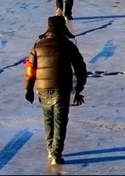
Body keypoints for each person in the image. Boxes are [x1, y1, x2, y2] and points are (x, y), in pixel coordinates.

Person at [23, 15, 87, 166]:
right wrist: (79, 88)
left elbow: (30, 69)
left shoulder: (37, 46)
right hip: (61, 89)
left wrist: (28, 89)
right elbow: (80, 68)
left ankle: (50, 150)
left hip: (42, 89)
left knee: (48, 119)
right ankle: (56, 154)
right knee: (60, 121)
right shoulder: (68, 45)